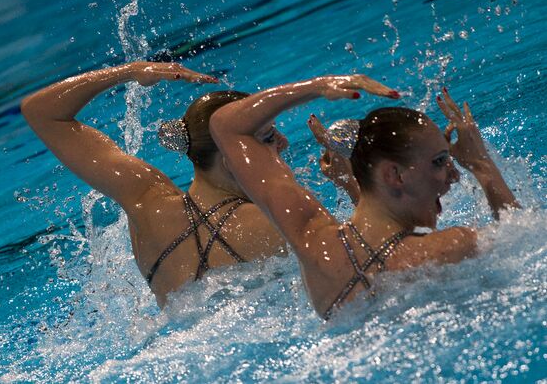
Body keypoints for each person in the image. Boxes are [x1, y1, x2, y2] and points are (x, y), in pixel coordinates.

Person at [210, 74, 520, 319]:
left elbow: (226, 125)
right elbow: (526, 242)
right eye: (440, 161)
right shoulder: (453, 246)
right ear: (394, 176)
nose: (454, 175)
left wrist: (318, 86)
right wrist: (482, 165)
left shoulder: (314, 244)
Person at [21, 61, 289, 308]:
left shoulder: (146, 203)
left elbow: (42, 112)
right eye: (268, 137)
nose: (283, 143)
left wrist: (131, 71)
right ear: (230, 158)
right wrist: (334, 180)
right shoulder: (275, 222)